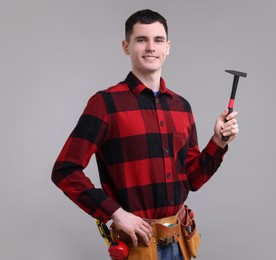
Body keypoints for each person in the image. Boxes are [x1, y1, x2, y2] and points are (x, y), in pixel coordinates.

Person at [52, 9, 239, 260]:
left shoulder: (181, 107)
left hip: (181, 242)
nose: (151, 47)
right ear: (126, 46)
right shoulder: (105, 104)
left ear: (168, 47)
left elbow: (192, 180)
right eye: (141, 40)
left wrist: (218, 141)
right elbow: (64, 170)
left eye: (158, 40)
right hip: (138, 246)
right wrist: (115, 213)